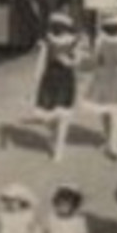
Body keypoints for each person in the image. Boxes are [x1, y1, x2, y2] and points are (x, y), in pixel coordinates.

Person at [84, 13, 117, 160]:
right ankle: (110, 141)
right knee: (110, 112)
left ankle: (113, 144)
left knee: (111, 112)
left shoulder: (102, 40)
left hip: (106, 77)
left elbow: (95, 59)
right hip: (115, 78)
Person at [32, 12, 83, 162]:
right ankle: (53, 135)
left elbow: (78, 61)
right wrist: (35, 79)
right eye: (55, 26)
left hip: (66, 80)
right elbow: (41, 61)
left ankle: (59, 148)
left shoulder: (74, 41)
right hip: (49, 80)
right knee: (48, 117)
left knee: (63, 116)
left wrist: (68, 61)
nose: (57, 30)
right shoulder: (47, 41)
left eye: (60, 27)